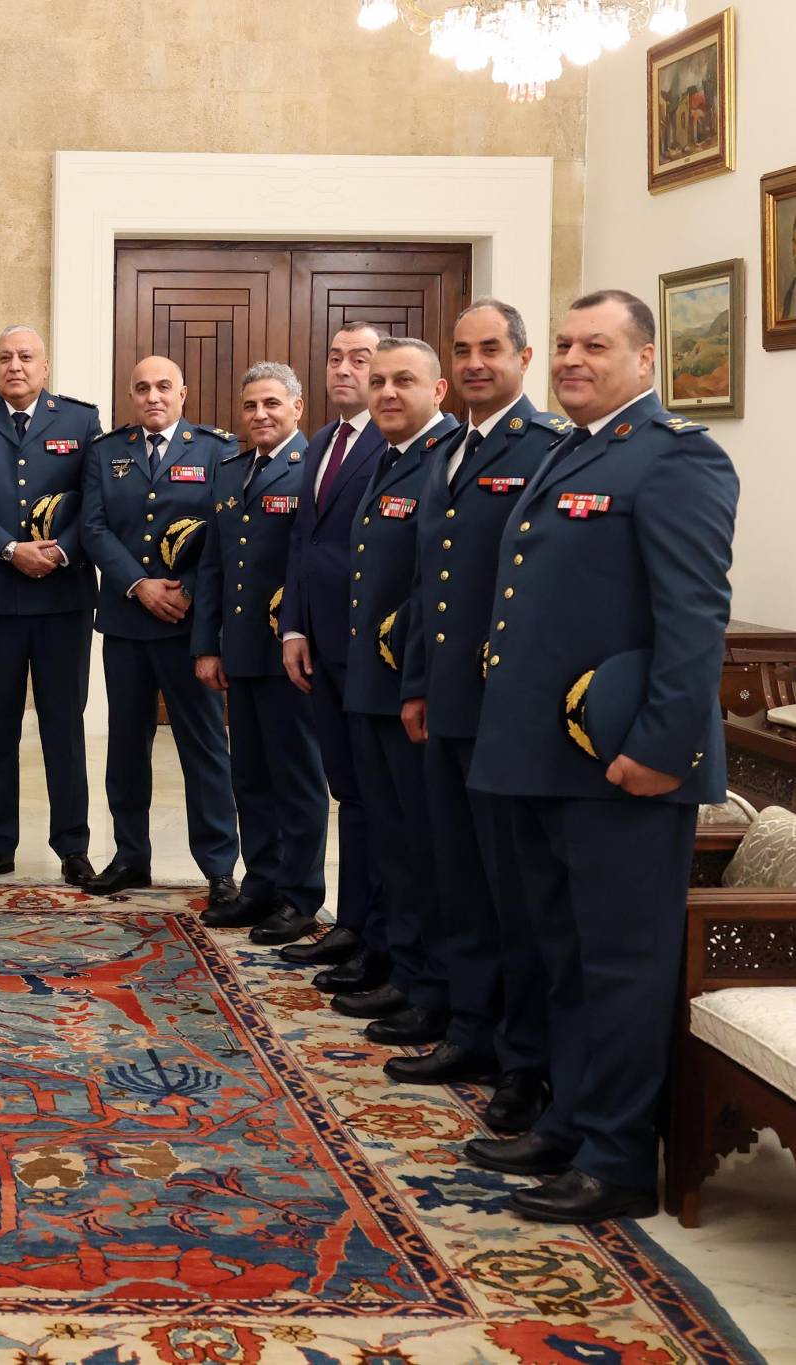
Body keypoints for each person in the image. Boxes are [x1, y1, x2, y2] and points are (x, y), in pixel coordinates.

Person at [464, 290, 737, 1224]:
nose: (573, 359)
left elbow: (693, 621)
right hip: (544, 757)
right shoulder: (572, 452)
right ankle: (572, 1122)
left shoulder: (675, 460)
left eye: (596, 346)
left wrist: (661, 751)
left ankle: (620, 1158)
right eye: (566, 344)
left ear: (646, 360)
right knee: (562, 954)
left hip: (621, 764)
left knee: (621, 962)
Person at [391, 300, 564, 1135]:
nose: (472, 362)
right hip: (447, 702)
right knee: (453, 874)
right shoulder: (448, 448)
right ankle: (467, 1027)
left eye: (489, 348)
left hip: (509, 708)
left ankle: (523, 1060)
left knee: (513, 892)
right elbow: (432, 585)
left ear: (523, 357)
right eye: (460, 350)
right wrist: (417, 683)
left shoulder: (547, 449)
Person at [322, 338, 460, 1045]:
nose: (384, 392)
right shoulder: (393, 458)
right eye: (377, 381)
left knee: (419, 845)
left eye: (402, 380)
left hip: (412, 689)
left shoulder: (447, 460)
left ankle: (427, 986)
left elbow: (436, 590)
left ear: (438, 391)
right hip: (370, 682)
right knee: (388, 838)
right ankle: (399, 969)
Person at [0, 325, 102, 884]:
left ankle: (73, 845)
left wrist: (58, 553)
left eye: (26, 357)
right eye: (5, 356)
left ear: (45, 366)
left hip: (63, 597)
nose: (15, 365)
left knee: (64, 724)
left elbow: (94, 500)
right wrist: (12, 549)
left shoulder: (81, 420)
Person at [79, 355, 239, 905]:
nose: (153, 396)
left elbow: (225, 529)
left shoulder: (218, 450)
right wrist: (138, 584)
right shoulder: (106, 452)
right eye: (142, 387)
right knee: (126, 743)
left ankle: (219, 866)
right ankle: (129, 856)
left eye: (164, 387)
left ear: (183, 393)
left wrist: (188, 588)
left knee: (204, 745)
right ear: (131, 394)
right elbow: (94, 527)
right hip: (127, 621)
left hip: (188, 625)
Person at [189, 363, 328, 945]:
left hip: (290, 652)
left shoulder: (315, 469)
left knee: (296, 776)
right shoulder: (230, 470)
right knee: (250, 775)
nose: (260, 415)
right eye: (250, 406)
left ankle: (299, 895)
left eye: (272, 403)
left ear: (297, 407)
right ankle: (261, 882)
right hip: (242, 650)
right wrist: (207, 645)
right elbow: (216, 565)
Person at [277, 323, 388, 989]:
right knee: (346, 789)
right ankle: (349, 921)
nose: (344, 369)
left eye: (361, 359)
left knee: (378, 795)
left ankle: (378, 934)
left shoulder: (396, 443)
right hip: (318, 643)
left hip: (369, 649)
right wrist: (292, 626)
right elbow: (302, 544)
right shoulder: (320, 442)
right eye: (335, 357)